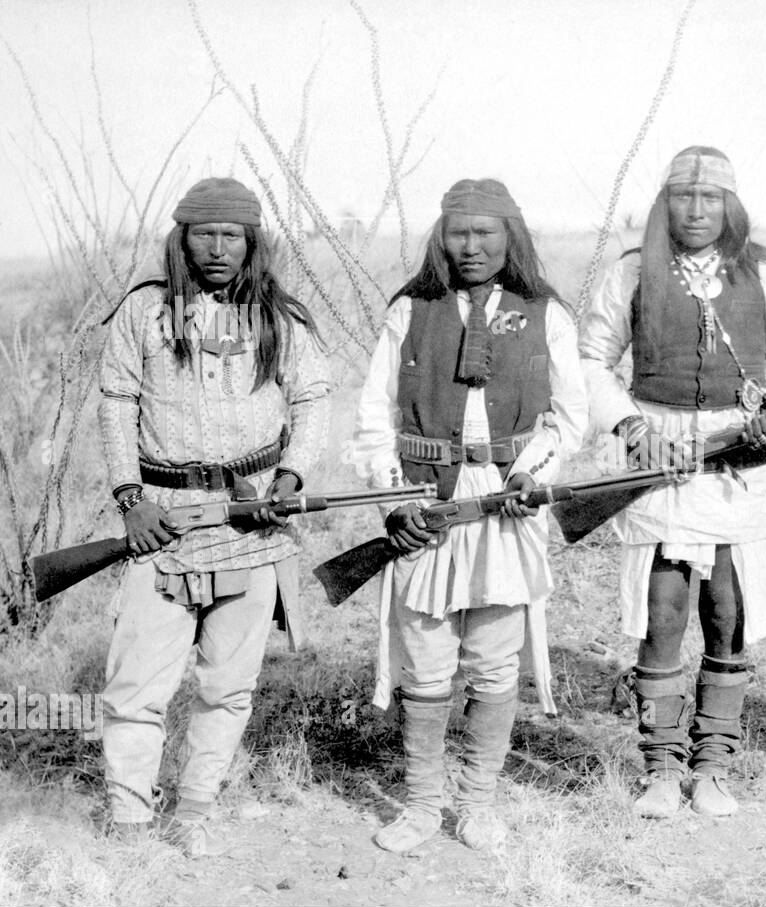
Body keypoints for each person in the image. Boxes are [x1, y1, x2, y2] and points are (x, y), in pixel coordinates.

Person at [351, 178, 587, 854]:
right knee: (425, 659)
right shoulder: (411, 309)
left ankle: (478, 805)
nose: (473, 246)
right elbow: (372, 415)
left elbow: (570, 419)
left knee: (492, 659)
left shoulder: (546, 312)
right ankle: (423, 806)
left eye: (486, 233)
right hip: (425, 499)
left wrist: (529, 474)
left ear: (510, 236)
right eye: (460, 232)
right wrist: (396, 496)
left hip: (506, 503)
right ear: (441, 236)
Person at [582, 146, 766, 818]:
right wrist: (630, 425)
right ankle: (659, 765)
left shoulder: (765, 271)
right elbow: (592, 361)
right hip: (659, 462)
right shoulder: (632, 271)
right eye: (683, 196)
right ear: (665, 203)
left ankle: (713, 765)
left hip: (738, 462)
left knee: (729, 615)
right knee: (662, 615)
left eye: (710, 198)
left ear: (730, 205)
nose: (696, 210)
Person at [99, 177, 331, 856]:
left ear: (252, 241)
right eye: (206, 234)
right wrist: (129, 499)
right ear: (183, 237)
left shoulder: (279, 316)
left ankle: (195, 809)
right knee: (137, 683)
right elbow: (116, 403)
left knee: (229, 683)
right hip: (163, 519)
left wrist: (290, 476)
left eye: (233, 235)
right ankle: (129, 817)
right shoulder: (143, 313)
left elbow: (314, 399)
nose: (219, 248)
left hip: (252, 521)